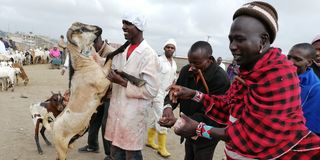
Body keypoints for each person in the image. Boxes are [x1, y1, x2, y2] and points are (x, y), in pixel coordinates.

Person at [165, 1, 320, 159]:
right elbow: (228, 106)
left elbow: (249, 134)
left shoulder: (279, 77)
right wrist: (193, 94)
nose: (232, 46)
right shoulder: (247, 72)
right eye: (231, 39)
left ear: (263, 40)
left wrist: (199, 129)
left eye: (240, 39)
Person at [159, 41, 230, 160]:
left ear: (209, 59)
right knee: (189, 155)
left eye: (196, 63)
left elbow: (214, 115)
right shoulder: (187, 70)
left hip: (207, 134)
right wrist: (168, 107)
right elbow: (175, 92)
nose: (192, 66)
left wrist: (179, 122)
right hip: (188, 130)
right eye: (190, 62)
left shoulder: (221, 79)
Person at [104, 11, 159, 160]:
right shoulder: (121, 51)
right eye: (123, 23)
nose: (123, 27)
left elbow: (151, 90)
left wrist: (121, 82)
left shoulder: (149, 55)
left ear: (139, 27)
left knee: (131, 154)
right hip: (117, 112)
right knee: (115, 152)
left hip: (133, 116)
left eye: (128, 24)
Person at [61, 35, 112, 160]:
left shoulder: (110, 52)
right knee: (94, 119)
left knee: (106, 124)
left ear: (97, 40)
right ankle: (92, 145)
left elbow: (109, 75)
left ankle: (109, 154)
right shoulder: (91, 51)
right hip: (97, 93)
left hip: (109, 94)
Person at [146, 39, 177, 157]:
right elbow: (151, 75)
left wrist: (173, 86)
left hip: (167, 95)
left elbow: (173, 77)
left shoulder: (173, 63)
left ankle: (149, 141)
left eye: (172, 47)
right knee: (163, 118)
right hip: (157, 94)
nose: (169, 49)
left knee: (156, 119)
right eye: (168, 47)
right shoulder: (159, 61)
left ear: (174, 50)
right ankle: (161, 148)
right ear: (164, 48)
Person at [287, 43, 320, 136]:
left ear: (309, 63)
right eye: (288, 57)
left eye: (297, 59)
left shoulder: (316, 89)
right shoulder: (282, 77)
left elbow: (310, 129)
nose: (290, 62)